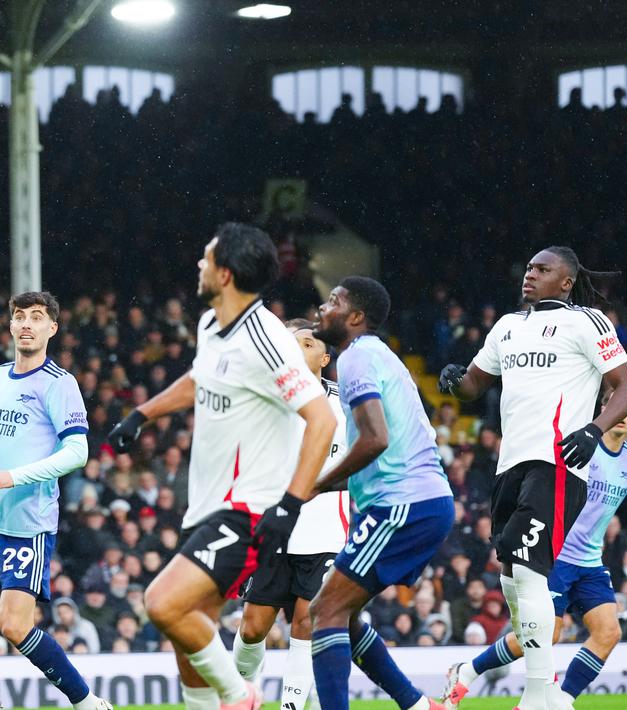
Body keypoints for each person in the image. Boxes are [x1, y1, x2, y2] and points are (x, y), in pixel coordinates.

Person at [109, 224, 337, 710]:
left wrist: (290, 506)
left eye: (206, 257)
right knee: (190, 637)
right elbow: (199, 378)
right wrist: (142, 414)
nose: (199, 265)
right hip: (207, 506)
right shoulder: (211, 324)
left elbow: (319, 419)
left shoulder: (269, 338)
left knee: (162, 603)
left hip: (248, 510)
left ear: (226, 273)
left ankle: (240, 694)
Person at [438, 246, 627, 710]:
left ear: (566, 282)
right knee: (512, 578)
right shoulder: (507, 327)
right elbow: (474, 384)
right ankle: (546, 691)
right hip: (509, 466)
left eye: (542, 269)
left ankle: (534, 698)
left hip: (557, 463)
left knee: (529, 574)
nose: (529, 275)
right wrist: (454, 380)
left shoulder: (586, 321)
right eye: (528, 267)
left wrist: (593, 431)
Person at [443, 396, 627, 708]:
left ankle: (561, 700)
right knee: (544, 636)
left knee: (608, 632)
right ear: (603, 410)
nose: (621, 415)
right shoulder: (581, 444)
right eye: (614, 407)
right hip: (554, 556)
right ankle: (467, 671)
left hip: (589, 562)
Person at [0, 291, 113, 710]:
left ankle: (87, 702)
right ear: (10, 325)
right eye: (20, 316)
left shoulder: (60, 383)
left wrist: (11, 479)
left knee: (13, 625)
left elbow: (78, 452)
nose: (26, 324)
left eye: (36, 317)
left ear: (51, 328)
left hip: (28, 523)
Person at [307, 276, 453, 710]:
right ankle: (416, 704)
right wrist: (314, 490)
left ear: (355, 318)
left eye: (333, 301)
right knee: (340, 615)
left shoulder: (355, 358)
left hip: (402, 503)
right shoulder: (376, 355)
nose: (323, 306)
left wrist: (313, 484)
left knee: (325, 612)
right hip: (416, 501)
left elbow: (375, 440)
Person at [231, 318, 351, 710]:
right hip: (276, 530)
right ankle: (239, 695)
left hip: (328, 530)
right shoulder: (265, 402)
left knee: (307, 622)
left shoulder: (346, 402)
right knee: (252, 630)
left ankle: (292, 706)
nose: (296, 350)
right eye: (287, 343)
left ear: (325, 357)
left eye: (306, 343)